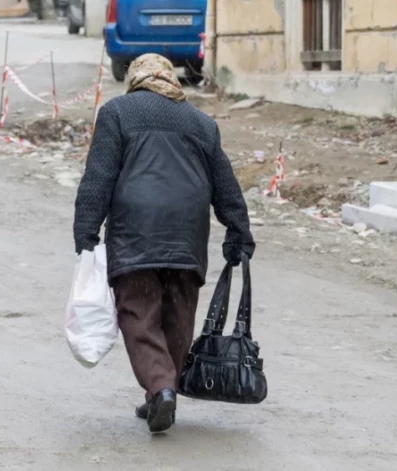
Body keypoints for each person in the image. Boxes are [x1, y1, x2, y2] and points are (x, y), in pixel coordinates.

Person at [73, 54, 254, 433]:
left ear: (136, 79)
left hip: (135, 233)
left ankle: (161, 388)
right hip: (188, 236)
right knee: (178, 315)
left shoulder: (117, 112)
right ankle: (159, 395)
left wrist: (86, 232)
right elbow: (226, 184)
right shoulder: (202, 123)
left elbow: (99, 177)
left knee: (139, 314)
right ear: (170, 79)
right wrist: (238, 230)